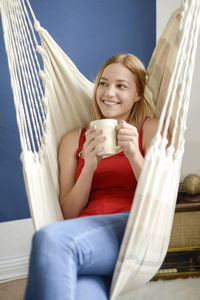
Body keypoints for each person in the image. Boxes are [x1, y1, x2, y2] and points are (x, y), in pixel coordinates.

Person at [24, 53, 158, 300]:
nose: (109, 92)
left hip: (133, 228)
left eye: (121, 86)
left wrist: (133, 155)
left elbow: (159, 200)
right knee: (84, 291)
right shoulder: (72, 140)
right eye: (104, 83)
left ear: (138, 94)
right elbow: (69, 214)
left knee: (50, 239)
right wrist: (89, 166)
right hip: (84, 231)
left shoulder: (149, 130)